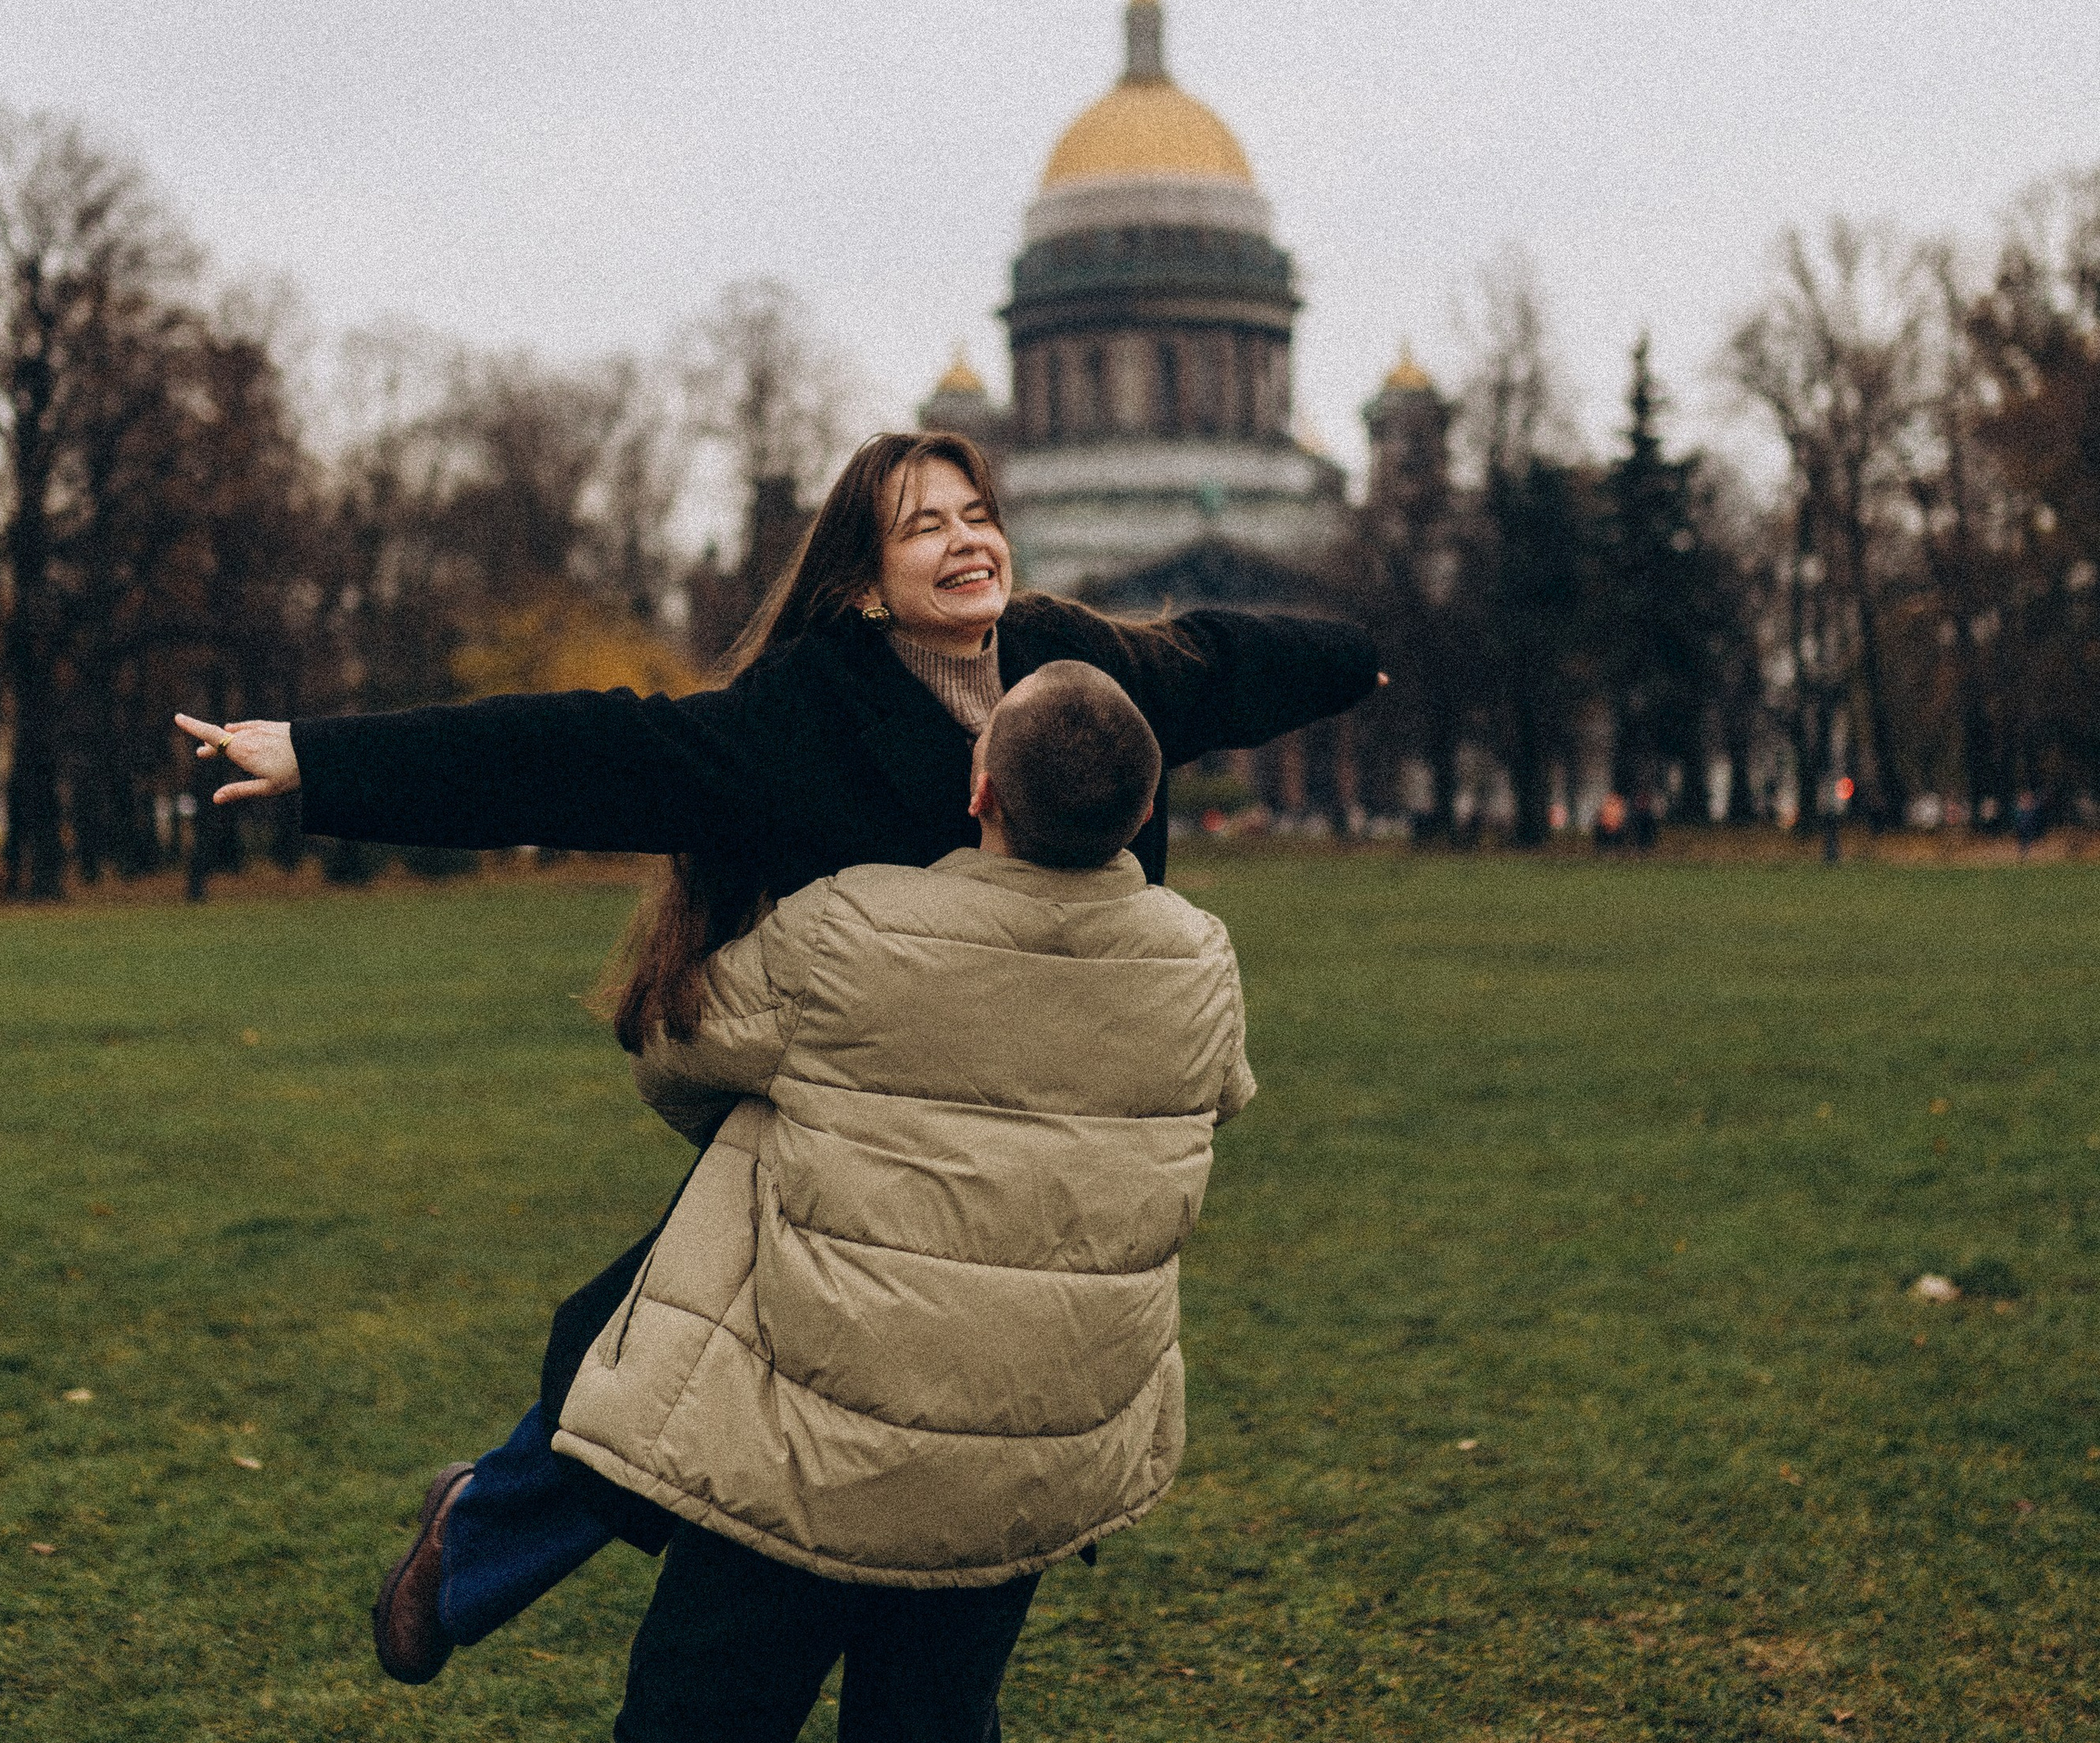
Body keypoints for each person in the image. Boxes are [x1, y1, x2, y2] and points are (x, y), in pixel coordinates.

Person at [176, 428, 1379, 1669]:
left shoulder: (1076, 667)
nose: (967, 540)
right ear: (865, 579)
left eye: (977, 514)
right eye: (926, 525)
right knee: (664, 1346)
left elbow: (1222, 661)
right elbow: (589, 756)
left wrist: (1358, 656)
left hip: (1033, 1107)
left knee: (840, 1365)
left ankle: (484, 1534)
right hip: (849, 1104)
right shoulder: (808, 715)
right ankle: (476, 1546)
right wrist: (323, 760)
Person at [561, 658, 1251, 1743]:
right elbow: (1207, 1103)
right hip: (1023, 1458)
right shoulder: (1196, 959)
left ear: (977, 794)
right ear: (1146, 818)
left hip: (819, 1437)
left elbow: (676, 1047)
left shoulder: (854, 927)